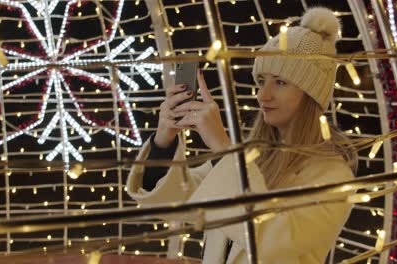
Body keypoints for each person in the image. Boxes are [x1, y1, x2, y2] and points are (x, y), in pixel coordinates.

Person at [127, 7, 358, 264]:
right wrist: (164, 138)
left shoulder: (335, 178)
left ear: (311, 93)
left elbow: (273, 242)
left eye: (280, 82)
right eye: (261, 80)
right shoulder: (254, 156)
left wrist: (224, 147)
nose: (262, 95)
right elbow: (178, 198)